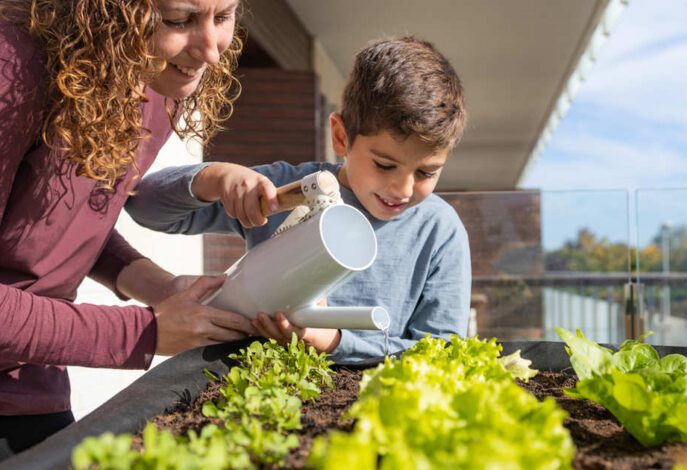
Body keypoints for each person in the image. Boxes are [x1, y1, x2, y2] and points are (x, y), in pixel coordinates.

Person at [0, 0, 276, 456]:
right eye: (179, 21)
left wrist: (162, 288)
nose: (211, 51)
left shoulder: (151, 81)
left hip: (32, 384)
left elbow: (55, 217)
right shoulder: (14, 69)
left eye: (222, 17)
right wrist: (144, 333)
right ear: (107, 12)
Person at [126, 36, 472, 363]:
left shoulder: (439, 231)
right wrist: (213, 179)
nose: (403, 189)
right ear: (341, 136)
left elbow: (442, 354)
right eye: (384, 165)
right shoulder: (290, 189)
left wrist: (334, 342)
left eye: (426, 173)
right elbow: (143, 207)